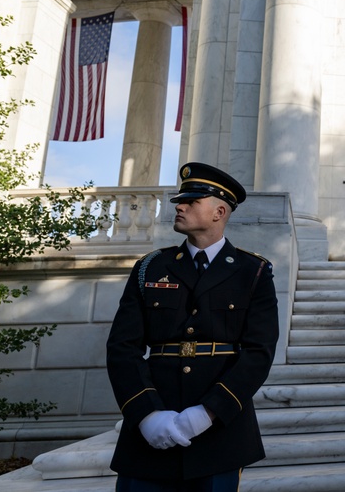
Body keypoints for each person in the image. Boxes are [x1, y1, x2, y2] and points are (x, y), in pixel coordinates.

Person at [106, 162, 279, 491]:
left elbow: (258, 352)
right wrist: (146, 414)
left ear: (219, 211)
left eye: (192, 201)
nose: (179, 205)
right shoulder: (151, 267)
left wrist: (207, 413)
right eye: (180, 200)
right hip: (151, 426)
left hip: (219, 432)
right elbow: (122, 348)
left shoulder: (252, 271)